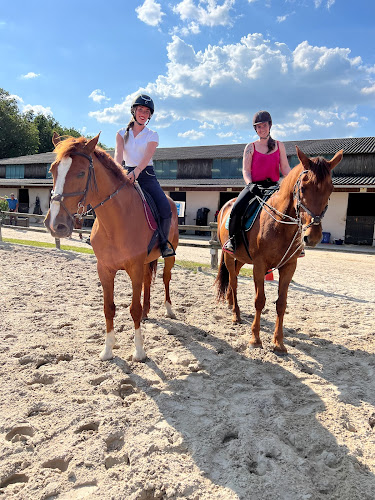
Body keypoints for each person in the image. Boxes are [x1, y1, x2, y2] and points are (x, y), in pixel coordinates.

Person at [114, 94, 175, 258]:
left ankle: (163, 245)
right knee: (107, 198)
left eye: (146, 111)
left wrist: (137, 172)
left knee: (165, 207)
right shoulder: (121, 133)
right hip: (126, 174)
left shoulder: (152, 135)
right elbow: (118, 155)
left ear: (149, 116)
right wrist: (118, 172)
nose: (143, 113)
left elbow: (146, 157)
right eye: (140, 109)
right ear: (134, 111)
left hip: (146, 174)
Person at [223, 110, 291, 253]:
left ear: (270, 126)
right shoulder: (250, 147)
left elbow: (285, 168)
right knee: (236, 208)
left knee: (293, 207)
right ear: (255, 129)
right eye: (258, 127)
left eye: (264, 125)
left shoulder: (280, 145)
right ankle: (233, 241)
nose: (261, 129)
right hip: (255, 186)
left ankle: (297, 244)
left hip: (273, 187)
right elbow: (246, 170)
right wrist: (250, 184)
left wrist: (293, 182)